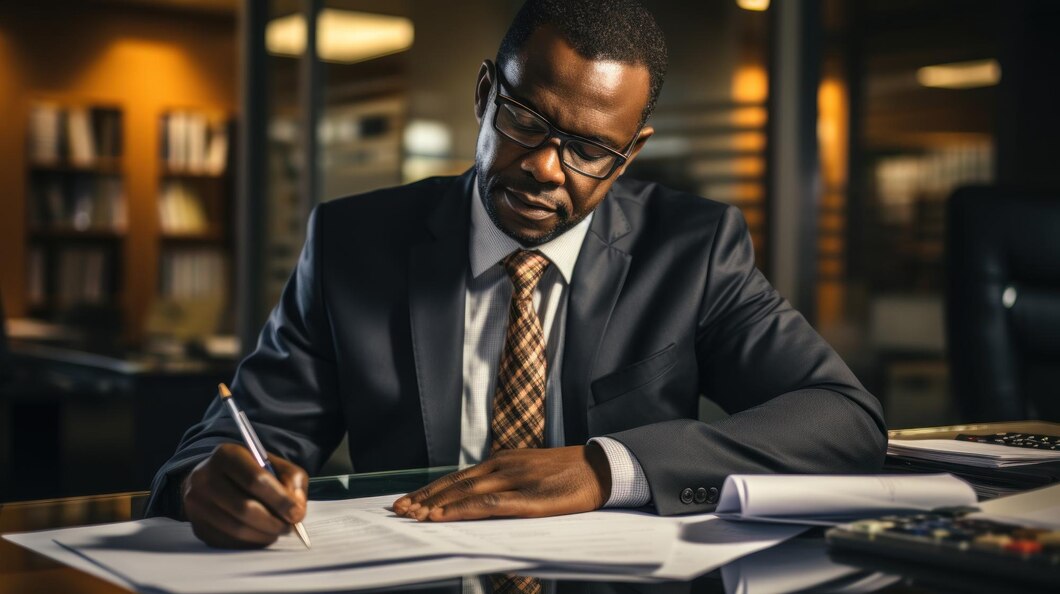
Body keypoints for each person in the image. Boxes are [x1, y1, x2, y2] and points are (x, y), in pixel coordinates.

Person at [148, 0, 887, 548]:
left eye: (589, 151)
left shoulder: (692, 251)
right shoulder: (354, 243)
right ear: (483, 96)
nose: (542, 166)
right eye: (525, 119)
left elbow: (843, 418)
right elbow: (243, 433)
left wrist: (610, 467)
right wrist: (208, 484)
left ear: (630, 155)